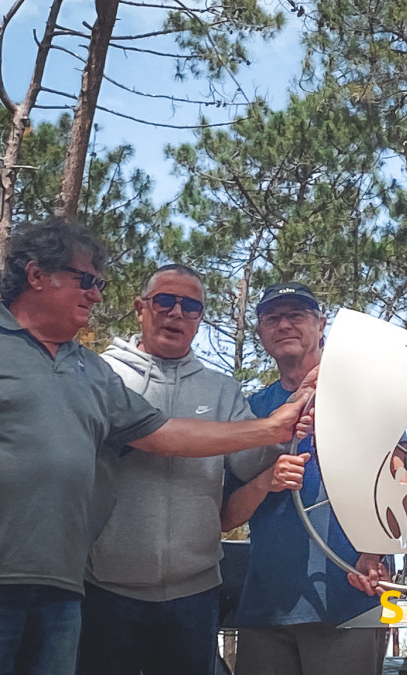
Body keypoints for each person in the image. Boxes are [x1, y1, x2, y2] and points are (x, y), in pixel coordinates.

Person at [0, 220, 312, 675]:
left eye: (99, 284)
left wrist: (275, 428)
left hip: (64, 590)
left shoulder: (91, 372)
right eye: (85, 280)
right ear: (36, 276)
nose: (95, 295)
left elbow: (164, 435)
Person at [79, 264, 305, 675]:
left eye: (191, 306)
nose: (176, 313)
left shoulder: (222, 389)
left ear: (200, 318)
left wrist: (297, 411)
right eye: (165, 301)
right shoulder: (99, 375)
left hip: (195, 591)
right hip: (105, 587)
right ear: (140, 308)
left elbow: (250, 463)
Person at [220, 282, 389, 675]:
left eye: (296, 315)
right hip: (266, 609)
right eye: (273, 318)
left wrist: (375, 554)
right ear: (260, 332)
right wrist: (266, 481)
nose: (284, 325)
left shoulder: (366, 397)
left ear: (321, 324)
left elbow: (400, 482)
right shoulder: (251, 411)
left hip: (349, 601)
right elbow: (226, 517)